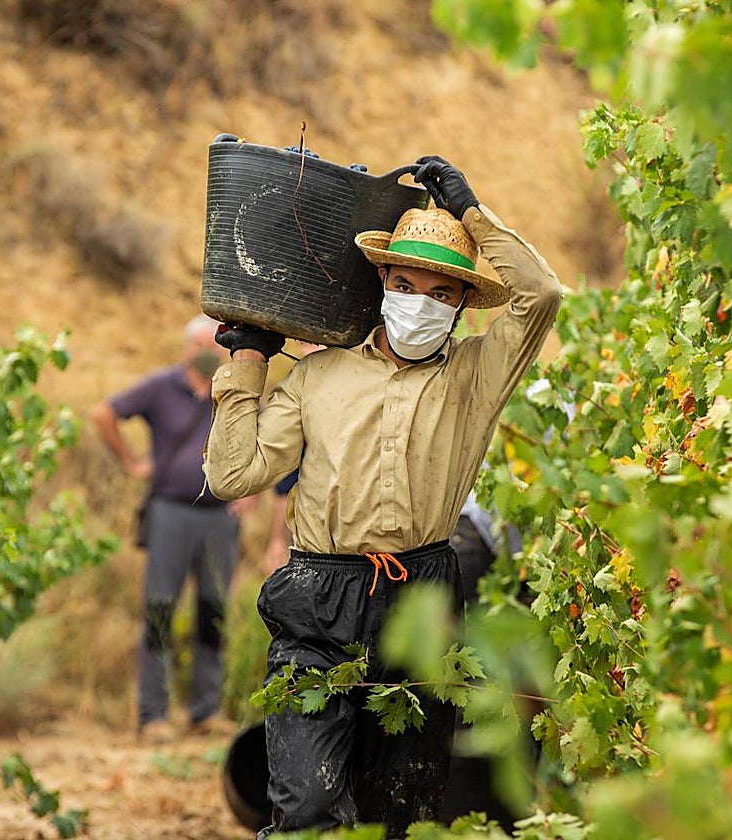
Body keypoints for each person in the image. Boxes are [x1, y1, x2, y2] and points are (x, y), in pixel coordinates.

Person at [203, 156, 563, 837]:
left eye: (440, 293)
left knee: (399, 809)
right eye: (405, 284)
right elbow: (233, 475)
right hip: (318, 602)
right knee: (307, 807)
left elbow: (540, 294)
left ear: (460, 306)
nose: (419, 303)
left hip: (422, 605)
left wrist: (473, 213)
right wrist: (248, 361)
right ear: (382, 283)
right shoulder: (318, 376)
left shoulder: (475, 376)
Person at [90, 313, 244, 743]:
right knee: (160, 610)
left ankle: (205, 711)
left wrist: (249, 494)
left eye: (216, 345)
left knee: (213, 612)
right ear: (187, 348)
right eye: (200, 345)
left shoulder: (233, 390)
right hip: (171, 512)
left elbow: (262, 439)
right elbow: (103, 414)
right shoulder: (162, 386)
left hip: (219, 517)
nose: (208, 353)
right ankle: (153, 715)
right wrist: (132, 463)